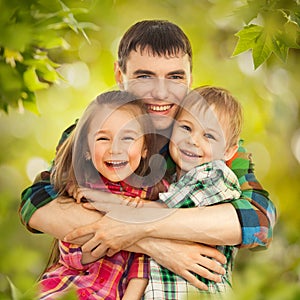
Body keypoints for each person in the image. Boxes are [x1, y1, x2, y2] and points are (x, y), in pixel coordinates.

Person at [20, 20, 277, 293]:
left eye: (175, 77)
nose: (161, 92)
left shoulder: (211, 144)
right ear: (120, 75)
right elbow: (38, 203)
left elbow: (259, 223)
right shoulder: (96, 131)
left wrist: (135, 226)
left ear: (190, 79)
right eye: (144, 77)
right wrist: (156, 245)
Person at [39, 91, 167, 299]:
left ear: (145, 148)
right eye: (103, 138)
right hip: (69, 288)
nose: (115, 148)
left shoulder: (153, 196)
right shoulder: (84, 191)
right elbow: (72, 255)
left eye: (127, 137)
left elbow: (142, 266)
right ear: (87, 150)